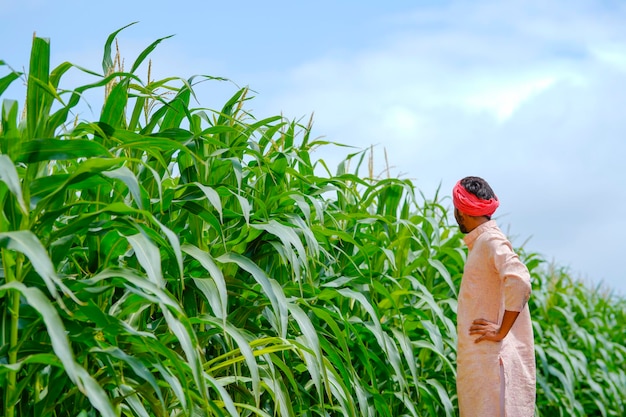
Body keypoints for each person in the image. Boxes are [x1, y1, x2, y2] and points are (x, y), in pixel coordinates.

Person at [452, 176, 536, 417]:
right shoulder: (481, 243)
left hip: (492, 368)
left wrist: (501, 331)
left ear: (461, 210)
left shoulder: (489, 240)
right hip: (484, 368)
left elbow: (519, 280)